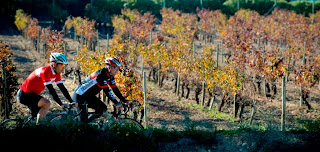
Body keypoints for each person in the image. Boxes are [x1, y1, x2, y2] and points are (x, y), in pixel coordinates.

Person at [16, 52, 76, 124]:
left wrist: (71, 100)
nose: (63, 68)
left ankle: (34, 127)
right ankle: (39, 128)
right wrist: (60, 104)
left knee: (41, 115)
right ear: (54, 64)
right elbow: (51, 91)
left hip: (32, 95)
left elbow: (62, 88)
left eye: (65, 65)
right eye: (62, 65)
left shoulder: (56, 74)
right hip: (24, 95)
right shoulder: (45, 71)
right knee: (46, 103)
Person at [72, 57, 128, 122]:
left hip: (88, 96)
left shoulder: (110, 76)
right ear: (109, 67)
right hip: (79, 96)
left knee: (102, 109)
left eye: (118, 68)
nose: (117, 70)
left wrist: (125, 101)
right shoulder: (100, 75)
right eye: (115, 67)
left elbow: (115, 89)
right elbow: (107, 91)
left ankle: (88, 126)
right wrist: (116, 102)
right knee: (82, 122)